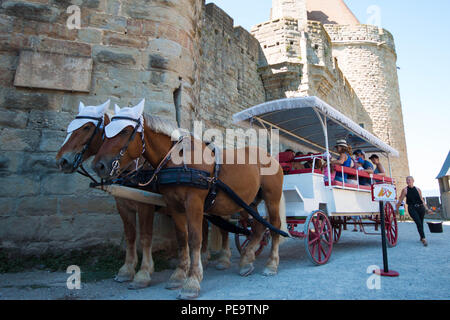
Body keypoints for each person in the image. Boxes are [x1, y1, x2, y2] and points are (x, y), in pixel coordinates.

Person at [396, 176, 434, 246]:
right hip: (412, 208)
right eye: (407, 180)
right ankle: (424, 238)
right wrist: (397, 209)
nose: (408, 181)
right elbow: (400, 200)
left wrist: (427, 209)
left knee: (421, 223)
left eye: (409, 180)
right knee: (418, 222)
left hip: (420, 208)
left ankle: (421, 236)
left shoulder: (418, 189)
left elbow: (422, 200)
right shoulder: (405, 190)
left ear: (413, 180)